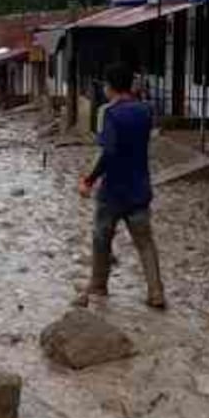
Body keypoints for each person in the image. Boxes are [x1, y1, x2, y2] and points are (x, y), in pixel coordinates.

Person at [80, 62, 165, 309]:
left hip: (113, 191)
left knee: (101, 238)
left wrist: (89, 179)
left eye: (105, 85)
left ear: (109, 87)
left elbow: (108, 152)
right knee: (145, 242)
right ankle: (156, 292)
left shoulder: (109, 113)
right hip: (139, 188)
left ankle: (98, 285)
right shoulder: (146, 111)